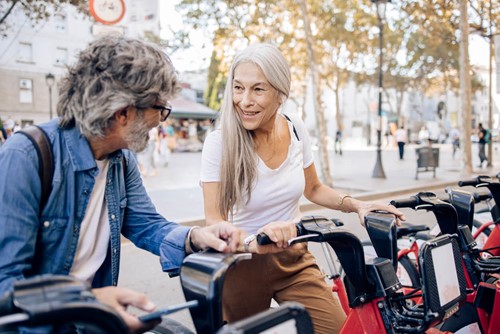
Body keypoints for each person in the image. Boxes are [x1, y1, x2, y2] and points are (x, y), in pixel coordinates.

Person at [0, 34, 244, 334]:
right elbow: (5, 282)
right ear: (123, 113)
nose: (162, 121)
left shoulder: (120, 159)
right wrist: (84, 300)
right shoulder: (26, 157)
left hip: (94, 323)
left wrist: (196, 237)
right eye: (160, 109)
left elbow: (146, 225)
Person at [200, 43, 405, 334]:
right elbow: (214, 220)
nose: (244, 101)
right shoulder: (219, 142)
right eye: (238, 88)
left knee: (337, 329)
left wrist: (357, 204)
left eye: (258, 89)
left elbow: (314, 188)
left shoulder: (295, 127)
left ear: (280, 93)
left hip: (294, 257)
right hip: (241, 264)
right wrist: (251, 242)